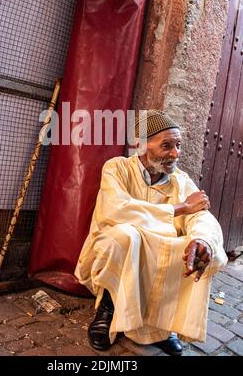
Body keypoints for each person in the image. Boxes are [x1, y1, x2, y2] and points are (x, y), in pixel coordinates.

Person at [75, 110, 228, 356]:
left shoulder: (180, 180)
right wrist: (180, 208)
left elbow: (201, 215)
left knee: (196, 248)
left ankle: (162, 328)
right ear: (141, 144)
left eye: (178, 145)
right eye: (166, 145)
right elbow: (116, 210)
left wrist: (203, 239)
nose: (175, 154)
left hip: (156, 251)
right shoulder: (117, 168)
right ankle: (108, 308)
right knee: (127, 236)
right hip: (117, 248)